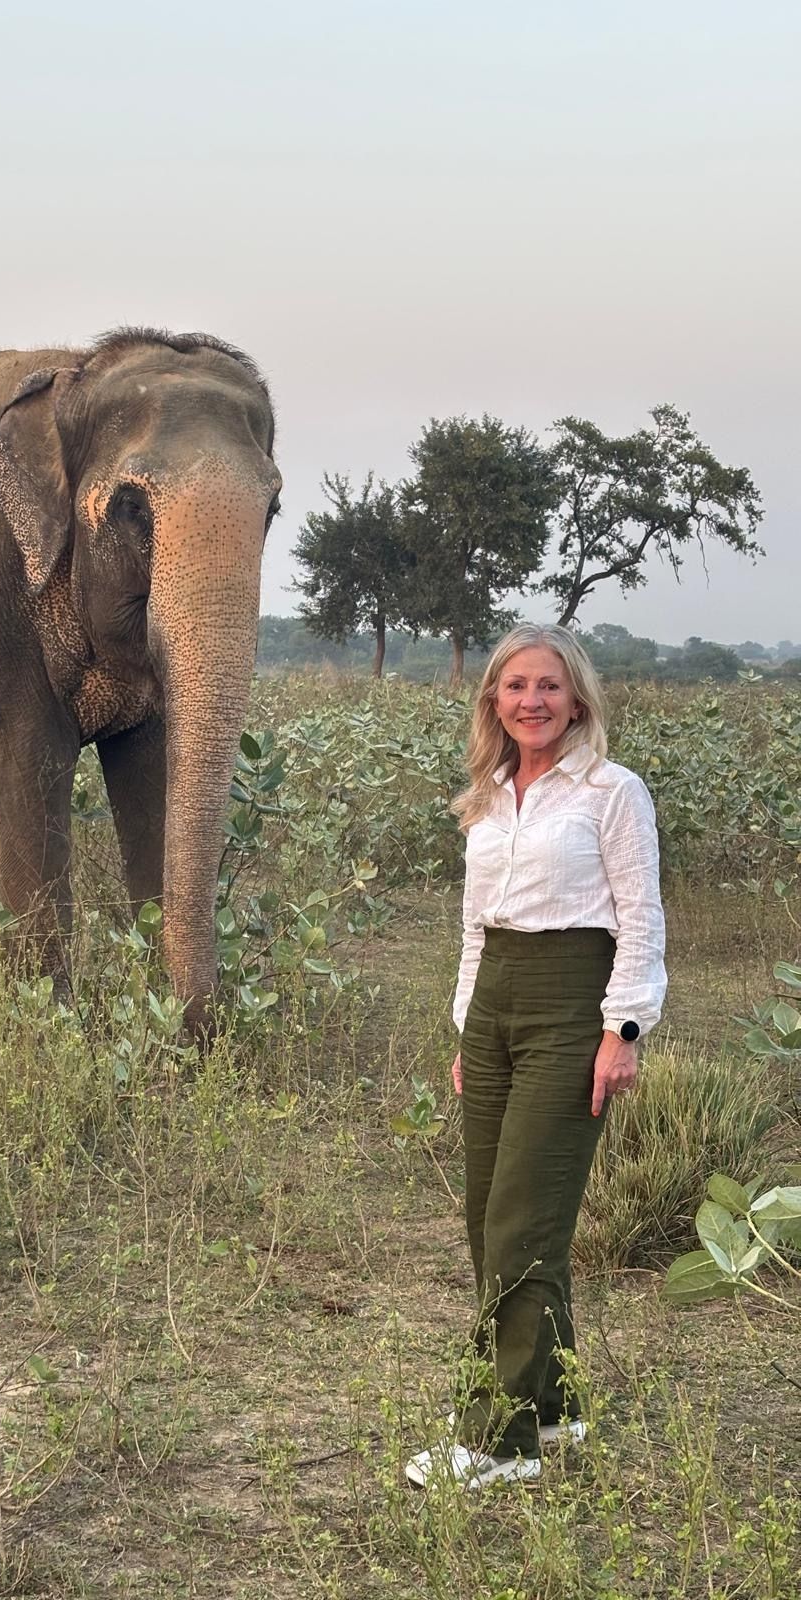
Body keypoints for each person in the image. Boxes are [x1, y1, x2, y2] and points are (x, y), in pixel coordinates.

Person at [405, 623, 667, 1491]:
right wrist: (464, 1030)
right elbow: (474, 928)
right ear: (494, 700)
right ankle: (553, 1405)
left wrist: (620, 1032)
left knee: (525, 1221)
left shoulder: (612, 791)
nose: (532, 701)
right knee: (490, 1216)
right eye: (516, 686)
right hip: (494, 1013)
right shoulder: (487, 795)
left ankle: (498, 1438)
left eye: (548, 686)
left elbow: (641, 918)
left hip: (572, 1007)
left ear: (577, 696)